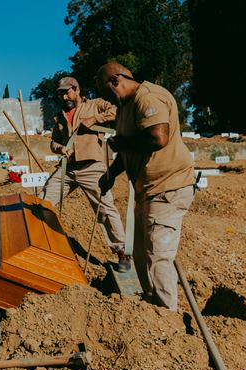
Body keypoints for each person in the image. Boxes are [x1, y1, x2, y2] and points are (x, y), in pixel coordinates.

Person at [95, 62, 196, 311]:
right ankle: (152, 305)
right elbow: (127, 149)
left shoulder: (148, 97)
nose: (108, 100)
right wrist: (111, 174)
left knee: (157, 255)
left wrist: (124, 143)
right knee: (140, 254)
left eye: (107, 93)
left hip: (168, 187)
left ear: (116, 80)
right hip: (147, 190)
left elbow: (157, 137)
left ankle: (167, 314)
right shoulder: (125, 108)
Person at [44, 76, 130, 271]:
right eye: (60, 93)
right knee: (43, 201)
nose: (64, 96)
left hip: (93, 167)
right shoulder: (58, 116)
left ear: (77, 90)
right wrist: (60, 149)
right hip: (68, 169)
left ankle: (122, 252)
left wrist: (95, 119)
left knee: (105, 209)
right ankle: (42, 241)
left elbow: (116, 111)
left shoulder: (95, 105)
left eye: (67, 91)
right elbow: (53, 142)